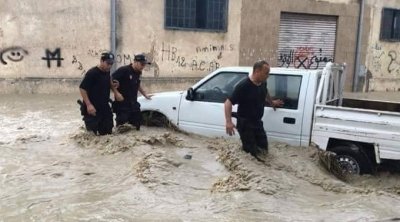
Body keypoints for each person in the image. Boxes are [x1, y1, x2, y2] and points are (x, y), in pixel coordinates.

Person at [224, 60, 284, 162]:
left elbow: (265, 92)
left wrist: (272, 103)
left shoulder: (262, 83)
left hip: (257, 123)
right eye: (266, 73)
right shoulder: (243, 86)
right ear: (257, 71)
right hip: (245, 124)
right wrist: (228, 122)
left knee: (264, 150)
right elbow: (228, 102)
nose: (268, 76)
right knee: (251, 155)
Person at [78, 52, 121, 135]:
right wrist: (89, 105)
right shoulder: (92, 73)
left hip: (104, 107)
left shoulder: (107, 71)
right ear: (101, 61)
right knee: (92, 135)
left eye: (111, 63)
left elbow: (109, 80)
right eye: (108, 63)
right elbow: (82, 88)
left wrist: (115, 90)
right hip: (93, 109)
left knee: (108, 132)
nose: (110, 66)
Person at [111, 54, 152, 130]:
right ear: (135, 62)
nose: (143, 67)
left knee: (136, 127)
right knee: (122, 129)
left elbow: (137, 84)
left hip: (133, 104)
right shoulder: (124, 70)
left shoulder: (138, 72)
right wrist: (116, 93)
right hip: (122, 105)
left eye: (144, 65)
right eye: (142, 64)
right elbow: (110, 80)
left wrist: (145, 94)